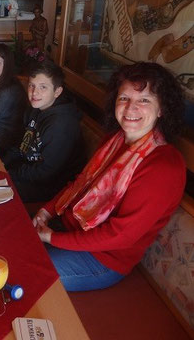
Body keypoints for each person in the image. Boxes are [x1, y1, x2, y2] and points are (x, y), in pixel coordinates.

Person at [32, 62, 186, 292]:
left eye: (144, 100)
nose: (131, 107)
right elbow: (81, 184)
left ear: (162, 108)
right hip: (67, 227)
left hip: (102, 260)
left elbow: (119, 236)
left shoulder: (164, 166)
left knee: (23, 270)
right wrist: (47, 210)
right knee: (4, 237)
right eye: (124, 98)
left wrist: (53, 238)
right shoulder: (115, 140)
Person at [5, 60, 85, 202]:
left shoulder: (61, 124)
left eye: (43, 87)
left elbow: (46, 173)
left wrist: (10, 173)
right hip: (30, 173)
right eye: (31, 85)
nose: (35, 92)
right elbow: (22, 146)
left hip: (53, 190)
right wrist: (3, 165)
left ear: (57, 91)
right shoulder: (37, 109)